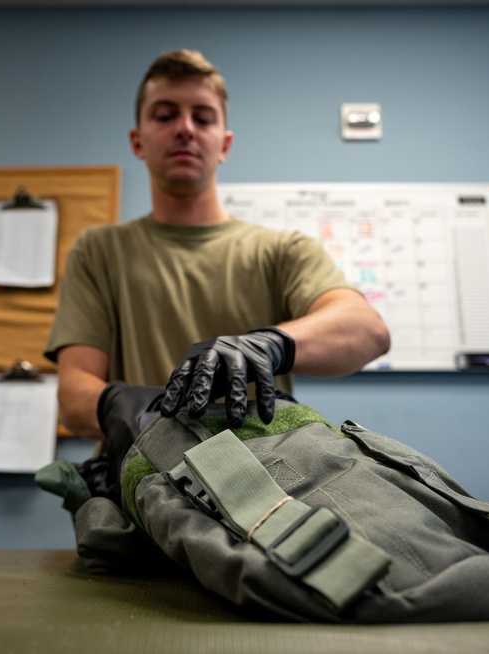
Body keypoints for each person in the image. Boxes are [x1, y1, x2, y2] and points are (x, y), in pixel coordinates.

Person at [43, 50, 390, 491]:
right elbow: (73, 396)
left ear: (224, 144)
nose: (185, 128)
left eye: (203, 118)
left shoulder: (281, 250)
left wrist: (270, 345)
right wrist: (119, 404)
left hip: (264, 492)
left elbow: (366, 329)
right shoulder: (99, 250)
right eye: (165, 115)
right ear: (137, 141)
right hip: (138, 490)